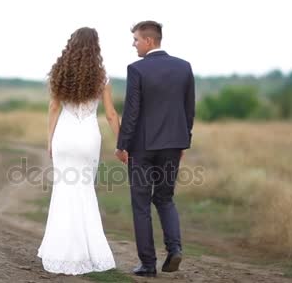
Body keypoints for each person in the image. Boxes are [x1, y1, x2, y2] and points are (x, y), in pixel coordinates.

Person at [115, 20, 195, 277]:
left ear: (149, 41)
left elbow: (131, 111)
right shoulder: (184, 67)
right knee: (164, 198)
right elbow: (188, 109)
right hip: (173, 144)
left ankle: (148, 264)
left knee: (140, 204)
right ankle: (175, 249)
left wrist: (122, 145)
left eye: (136, 40)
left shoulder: (137, 69)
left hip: (142, 148)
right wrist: (184, 141)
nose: (134, 44)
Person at [38, 27, 119, 275]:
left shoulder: (59, 73)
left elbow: (54, 108)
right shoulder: (102, 77)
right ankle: (88, 251)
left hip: (65, 135)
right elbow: (110, 114)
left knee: (63, 191)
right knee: (84, 191)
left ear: (70, 44)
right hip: (87, 138)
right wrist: (122, 142)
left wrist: (50, 140)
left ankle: (60, 250)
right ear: (96, 47)